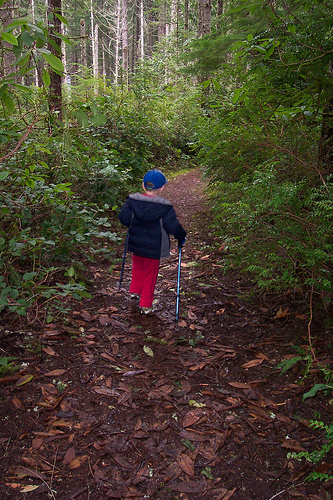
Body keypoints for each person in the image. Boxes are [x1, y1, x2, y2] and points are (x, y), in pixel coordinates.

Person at [118, 169, 186, 314]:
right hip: (154, 247)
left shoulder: (133, 200)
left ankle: (135, 292)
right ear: (161, 187)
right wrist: (181, 236)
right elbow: (172, 226)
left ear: (143, 185)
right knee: (150, 274)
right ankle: (146, 305)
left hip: (136, 243)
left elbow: (124, 219)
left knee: (138, 267)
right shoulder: (165, 206)